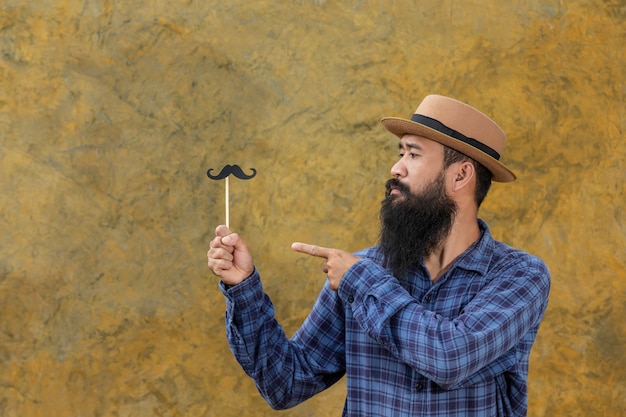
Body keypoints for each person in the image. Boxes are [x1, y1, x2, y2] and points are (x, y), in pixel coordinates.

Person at [207, 94, 551, 417]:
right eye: (400, 153)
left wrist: (360, 279)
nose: (396, 168)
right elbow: (285, 383)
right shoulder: (363, 270)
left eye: (412, 155)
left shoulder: (519, 276)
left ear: (460, 174)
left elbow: (449, 357)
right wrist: (243, 288)